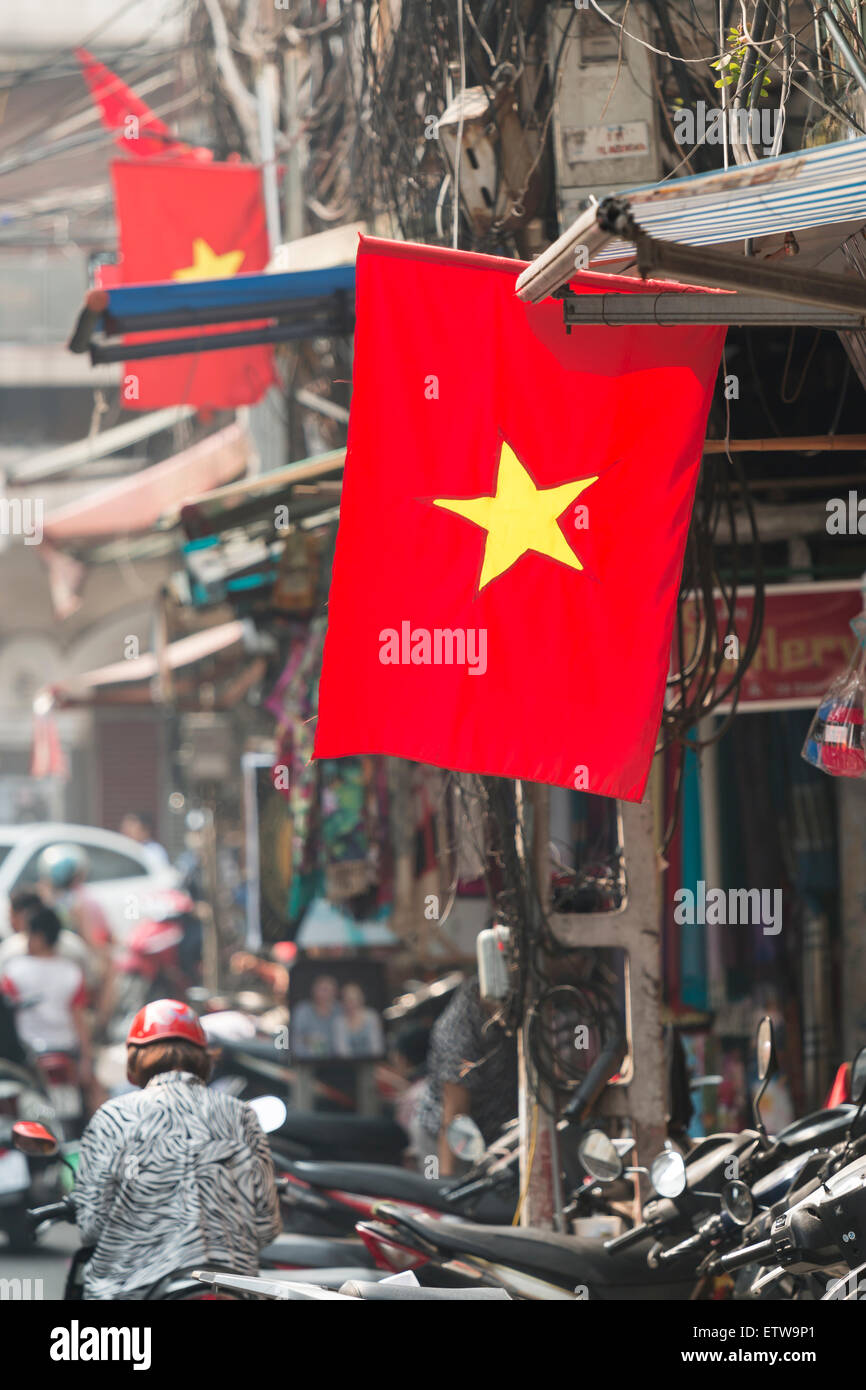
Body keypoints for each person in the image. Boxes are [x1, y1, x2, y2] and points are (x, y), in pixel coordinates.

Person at [72, 999, 281, 1300]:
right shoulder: (242, 1115)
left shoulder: (113, 1117)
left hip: (133, 1289)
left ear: (135, 1058)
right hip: (232, 1288)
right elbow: (267, 1226)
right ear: (203, 1057)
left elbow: (90, 1227)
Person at [415, 976, 518, 1177]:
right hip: (443, 1133)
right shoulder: (457, 1030)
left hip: (495, 1131)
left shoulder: (514, 1016)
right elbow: (455, 1114)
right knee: (439, 1188)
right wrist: (444, 1182)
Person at [0, 906, 95, 1094]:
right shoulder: (72, 972)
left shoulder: (14, 971)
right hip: (68, 1049)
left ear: (39, 937)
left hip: (30, 1053)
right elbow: (79, 1019)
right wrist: (86, 1059)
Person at [37, 845, 115, 1036]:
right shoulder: (79, 901)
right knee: (110, 969)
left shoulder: (42, 896)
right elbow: (91, 939)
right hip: (72, 953)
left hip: (46, 953)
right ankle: (101, 1024)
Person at [292, 973, 340, 1058]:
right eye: (321, 989)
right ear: (313, 990)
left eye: (327, 990)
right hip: (306, 1060)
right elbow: (296, 1039)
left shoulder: (341, 1011)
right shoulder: (302, 1010)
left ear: (335, 992)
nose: (324, 994)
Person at [334, 982, 385, 1058]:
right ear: (343, 1001)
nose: (350, 1003)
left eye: (353, 999)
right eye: (347, 999)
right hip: (348, 1065)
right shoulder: (338, 1022)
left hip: (372, 1062)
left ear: (361, 999)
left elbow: (376, 1047)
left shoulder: (371, 1017)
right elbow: (342, 1051)